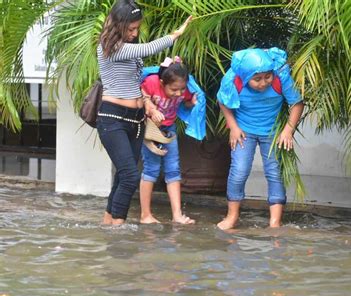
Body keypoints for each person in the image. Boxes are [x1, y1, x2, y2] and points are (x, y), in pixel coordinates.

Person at [96, 0, 191, 225]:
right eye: (130, 29)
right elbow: (147, 48)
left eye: (137, 28)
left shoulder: (128, 48)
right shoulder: (109, 47)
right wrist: (175, 34)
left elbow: (138, 78)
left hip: (136, 120)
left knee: (123, 175)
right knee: (130, 175)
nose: (134, 33)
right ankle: (118, 231)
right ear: (117, 26)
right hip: (113, 118)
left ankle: (107, 225)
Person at [216, 47, 304, 230]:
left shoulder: (281, 76)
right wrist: (233, 126)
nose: (263, 83)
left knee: (274, 172)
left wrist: (288, 130)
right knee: (239, 170)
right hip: (243, 132)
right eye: (257, 79)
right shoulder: (233, 79)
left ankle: (275, 222)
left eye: (267, 77)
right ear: (246, 77)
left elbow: (296, 103)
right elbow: (223, 101)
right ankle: (232, 216)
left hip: (272, 132)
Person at [139, 57, 204, 224]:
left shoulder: (183, 90)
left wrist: (192, 103)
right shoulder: (152, 82)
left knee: (173, 170)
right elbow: (139, 93)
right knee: (151, 169)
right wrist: (151, 109)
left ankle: (177, 215)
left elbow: (186, 102)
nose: (179, 93)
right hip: (151, 130)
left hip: (169, 129)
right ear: (162, 83)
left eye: (182, 89)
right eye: (174, 90)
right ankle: (145, 215)